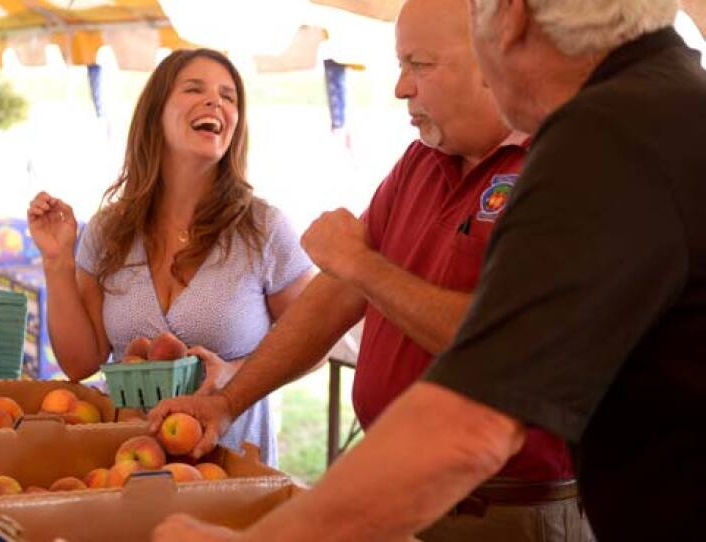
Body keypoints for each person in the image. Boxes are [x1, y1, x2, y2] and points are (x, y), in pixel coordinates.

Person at [151, 0, 706, 540]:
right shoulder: (664, 104)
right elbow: (338, 292)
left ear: (508, 17)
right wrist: (226, 402)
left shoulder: (607, 136)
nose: (400, 87)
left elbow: (479, 414)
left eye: (418, 64)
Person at [26, 48, 313, 467]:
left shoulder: (263, 229)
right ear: (155, 113)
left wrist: (237, 374)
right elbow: (79, 363)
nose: (215, 102)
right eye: (194, 89)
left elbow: (315, 339)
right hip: (124, 465)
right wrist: (57, 261)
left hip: (226, 470)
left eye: (228, 96)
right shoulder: (109, 230)